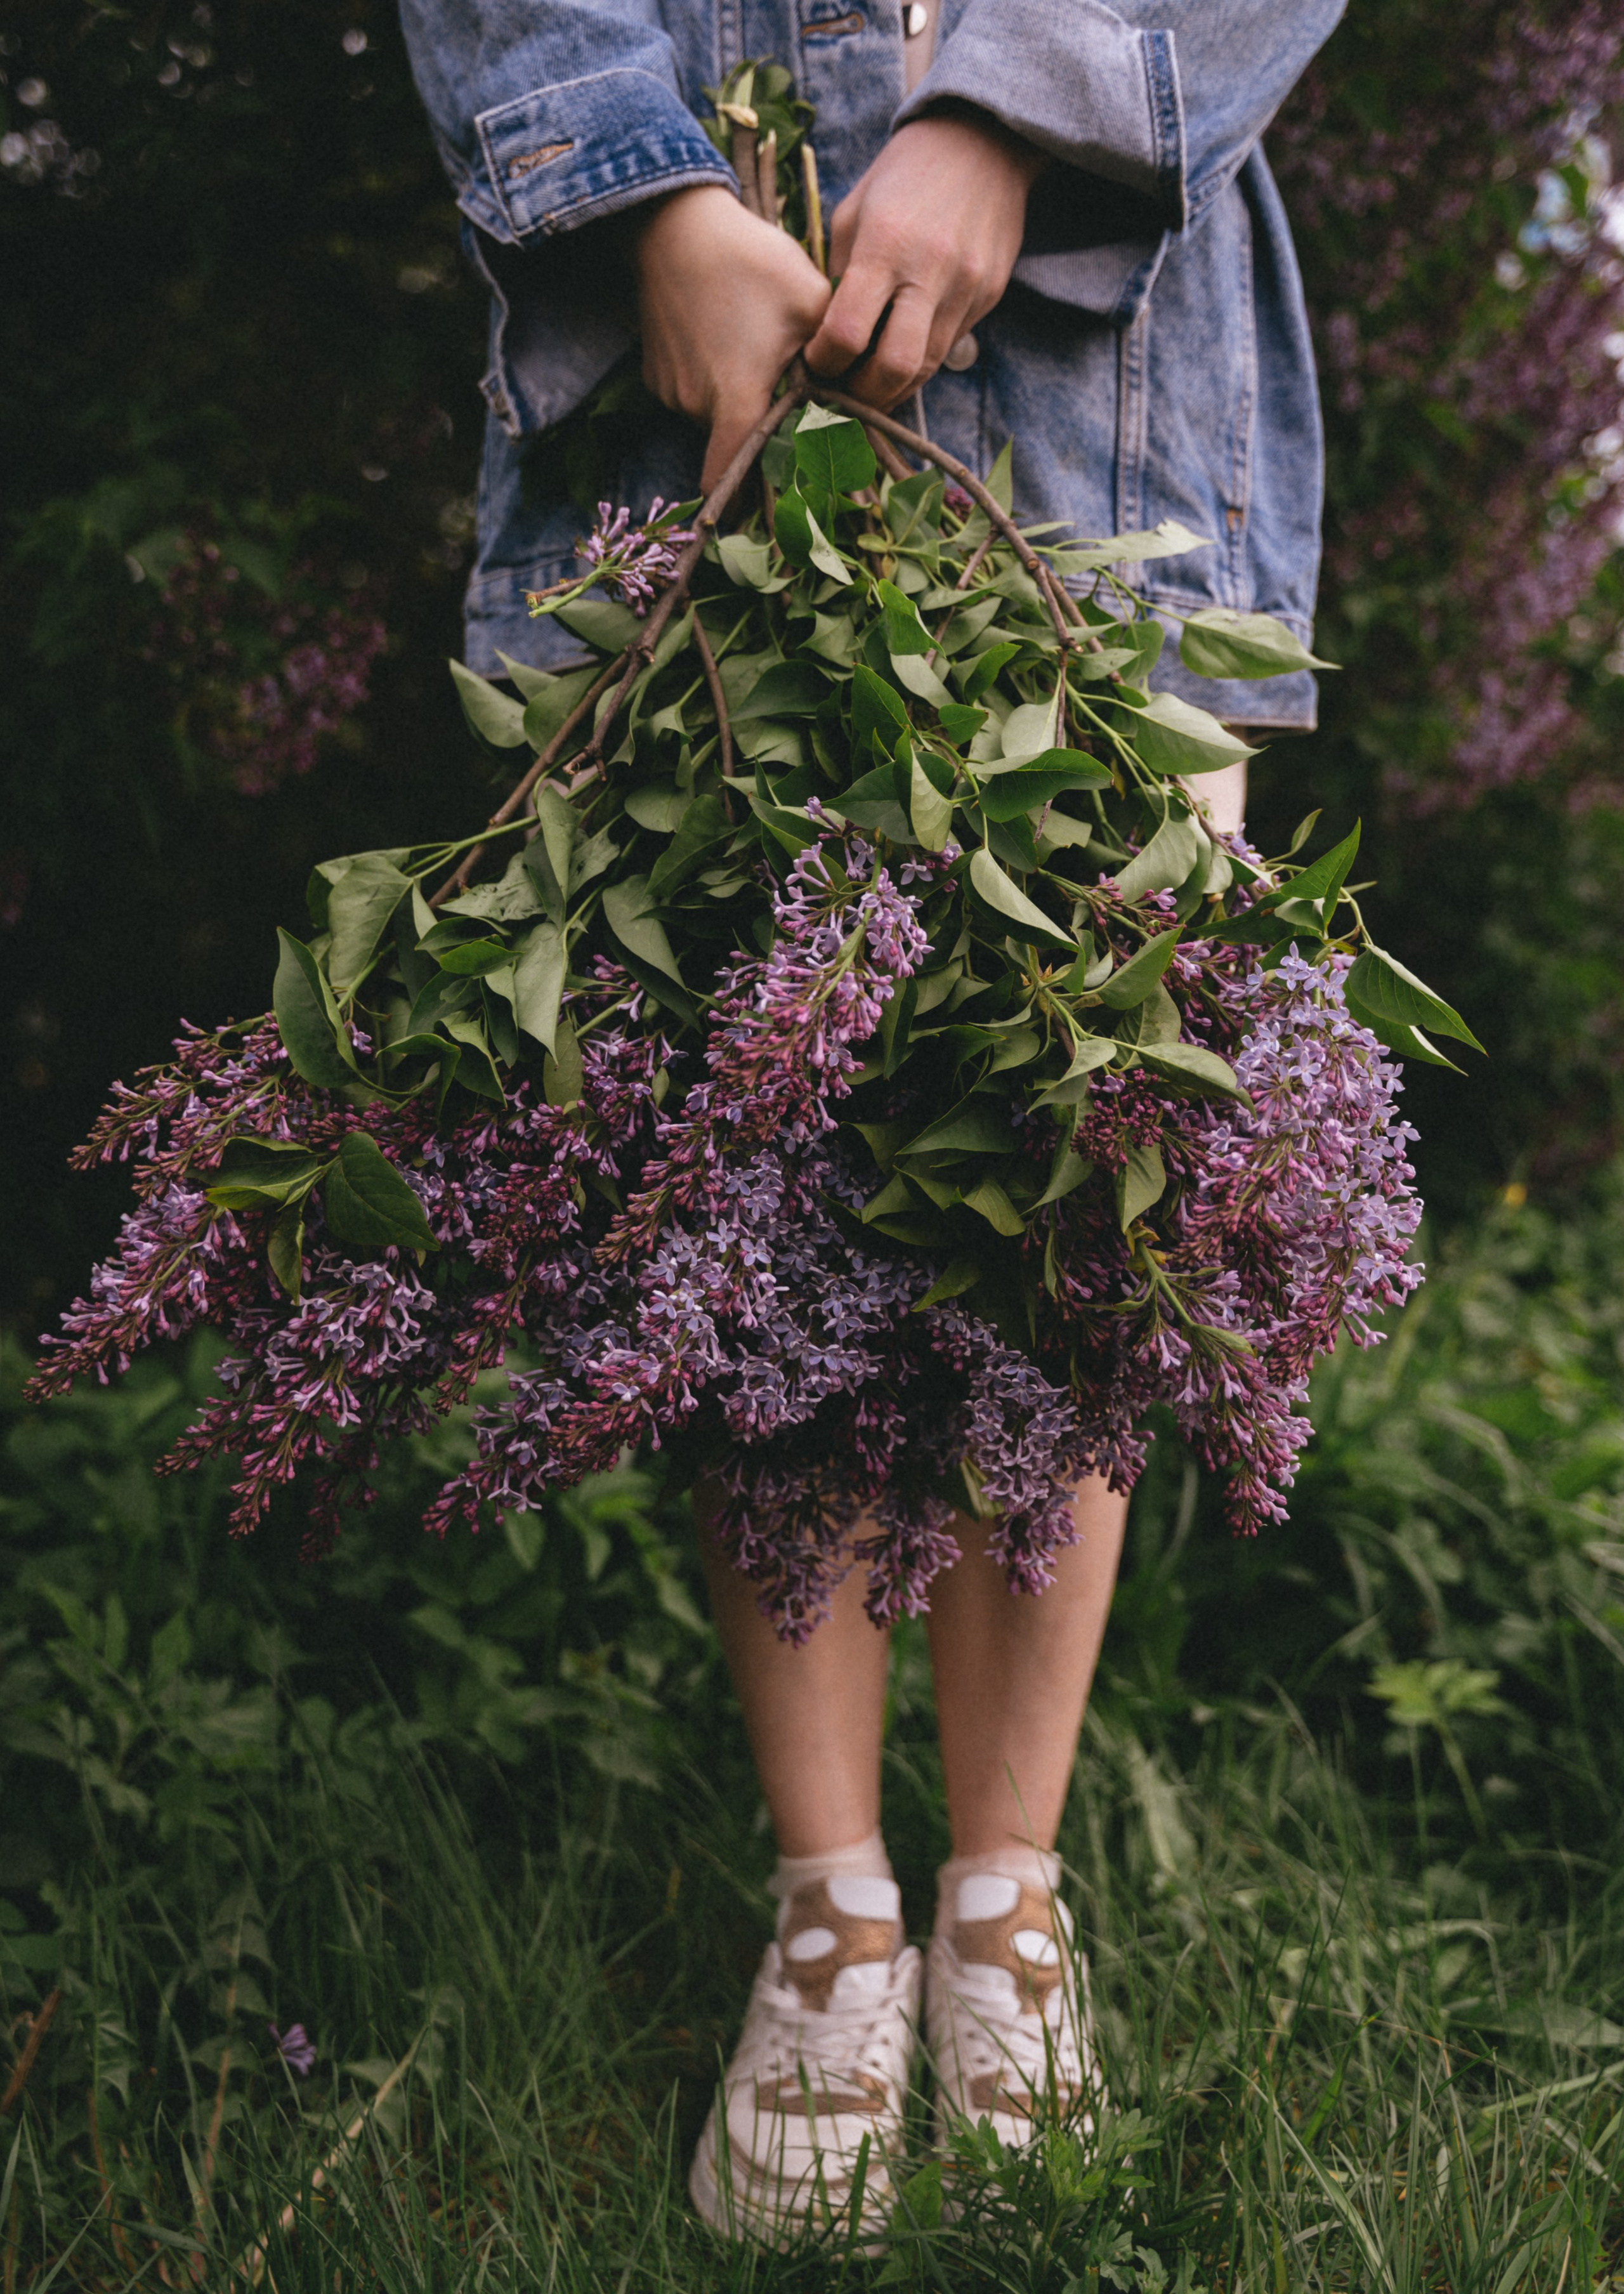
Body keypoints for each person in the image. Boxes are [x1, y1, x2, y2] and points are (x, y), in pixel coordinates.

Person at [401, 0, 1344, 2242]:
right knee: (747, 1214)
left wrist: (1027, 112)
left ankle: (1004, 1898)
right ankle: (835, 1907)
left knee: (1082, 1188)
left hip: (1106, 459)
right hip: (690, 437)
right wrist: (640, 195)